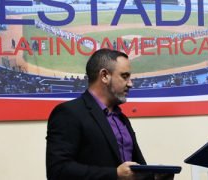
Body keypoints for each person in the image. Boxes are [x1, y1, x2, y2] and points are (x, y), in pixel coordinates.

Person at [46, 49, 170, 180]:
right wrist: (115, 174)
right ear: (104, 76)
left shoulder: (122, 119)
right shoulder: (69, 113)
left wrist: (154, 176)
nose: (130, 83)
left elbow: (134, 172)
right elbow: (58, 171)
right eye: (124, 76)